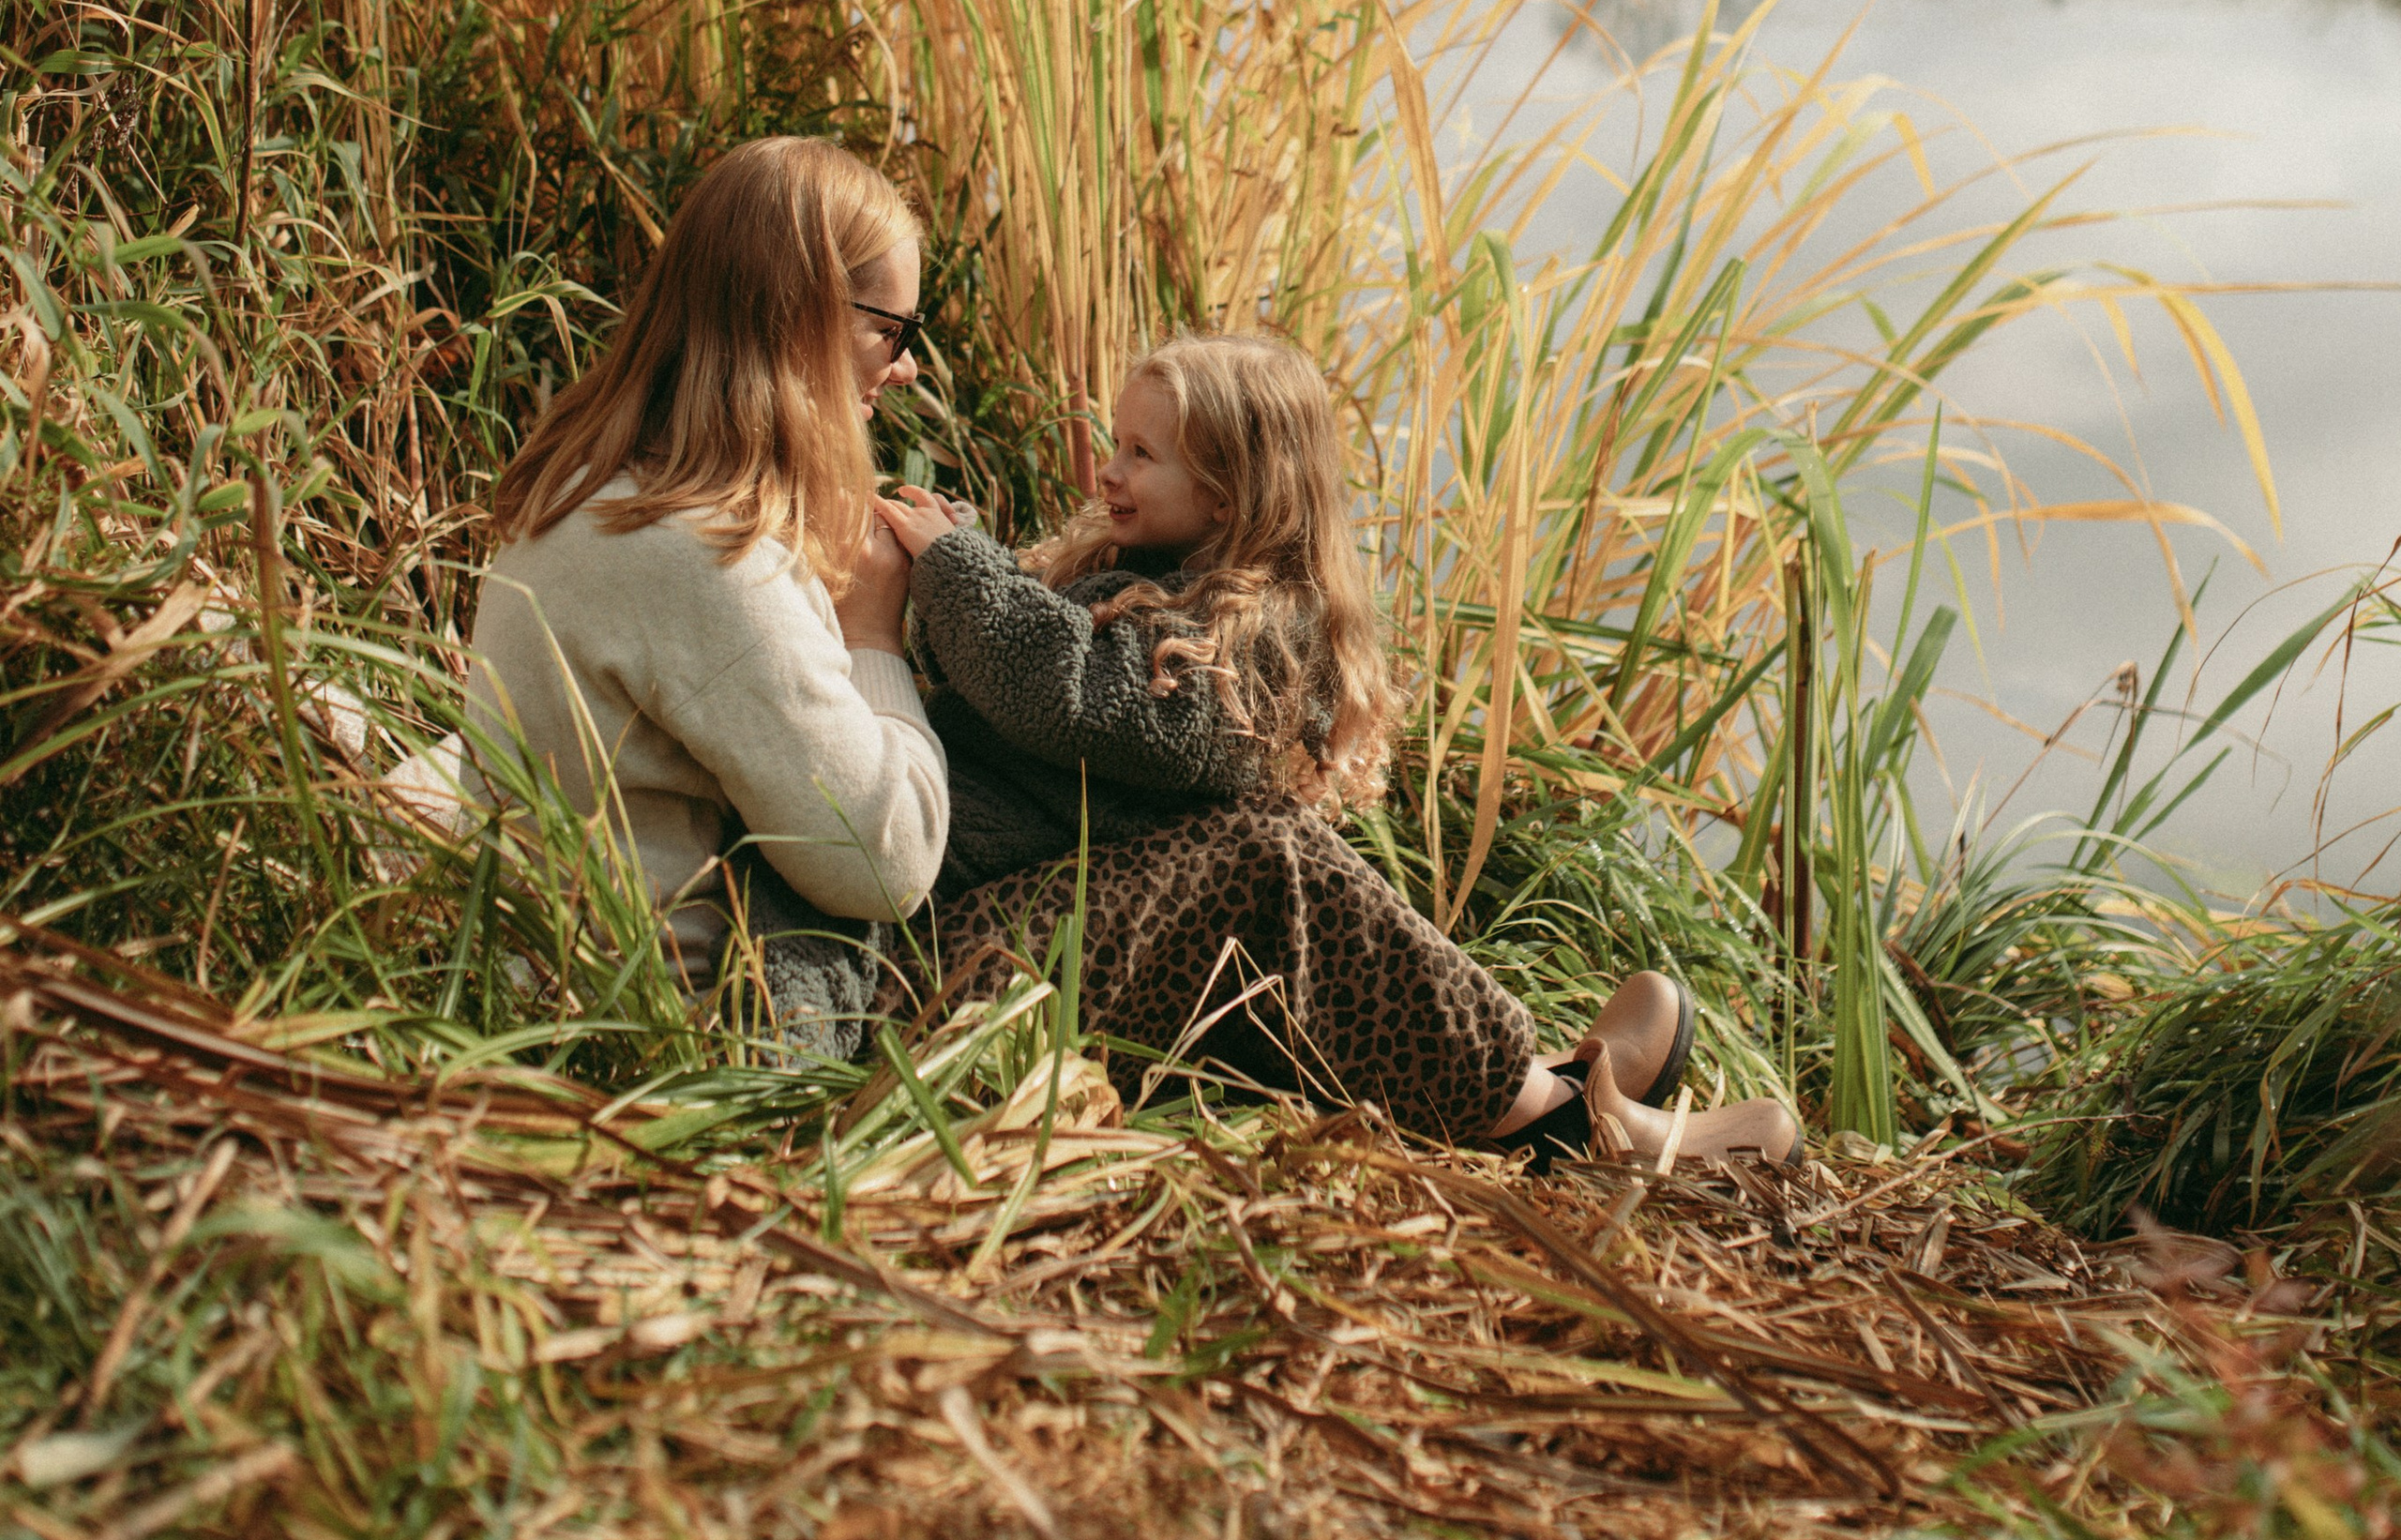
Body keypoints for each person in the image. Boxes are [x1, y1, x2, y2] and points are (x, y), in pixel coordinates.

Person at [878, 329, 1797, 1169]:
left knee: (1257, 850)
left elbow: (1092, 701)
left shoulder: (1248, 634)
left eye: (1140, 453)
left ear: (1228, 492)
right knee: (1262, 855)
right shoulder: (1129, 584)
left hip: (994, 936)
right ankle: (1546, 1108)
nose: (1107, 470)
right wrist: (961, 570)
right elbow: (1060, 693)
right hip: (953, 964)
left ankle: (1527, 1087)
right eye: (1118, 443)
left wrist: (962, 574)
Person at [464, 135, 945, 1060]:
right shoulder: (707, 556)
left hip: (539, 988)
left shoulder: (586, 489)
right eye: (892, 329)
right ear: (803, 317)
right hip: (668, 1043)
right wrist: (875, 631)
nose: (906, 366)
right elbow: (889, 860)